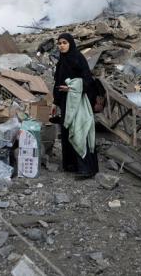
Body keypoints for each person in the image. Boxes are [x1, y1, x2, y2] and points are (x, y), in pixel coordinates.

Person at [52, 33, 99, 178]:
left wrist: (72, 88)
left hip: (78, 101)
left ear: (70, 44)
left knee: (79, 131)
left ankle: (86, 169)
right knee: (67, 132)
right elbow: (58, 83)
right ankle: (72, 165)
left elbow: (88, 80)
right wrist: (55, 102)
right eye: (59, 43)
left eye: (64, 43)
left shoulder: (78, 58)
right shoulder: (62, 61)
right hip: (65, 102)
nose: (61, 46)